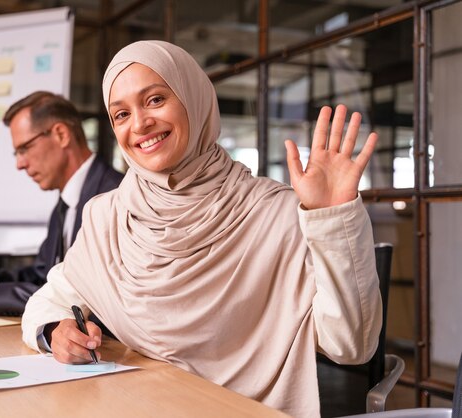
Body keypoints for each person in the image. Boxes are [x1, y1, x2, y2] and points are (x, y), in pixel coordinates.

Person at [21, 41, 382, 418]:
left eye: (156, 99)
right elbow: (46, 302)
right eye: (121, 114)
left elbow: (352, 346)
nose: (140, 123)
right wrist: (55, 333)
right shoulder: (108, 217)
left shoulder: (275, 212)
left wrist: (333, 217)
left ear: (194, 99)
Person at [0, 91, 124, 316]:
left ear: (61, 134)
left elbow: (81, 299)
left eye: (24, 149)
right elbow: (42, 275)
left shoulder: (115, 196)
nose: (19, 164)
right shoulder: (64, 205)